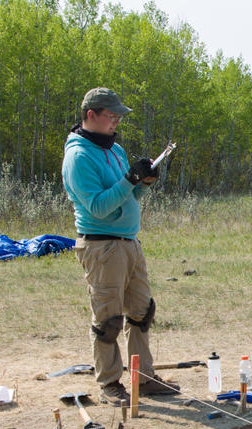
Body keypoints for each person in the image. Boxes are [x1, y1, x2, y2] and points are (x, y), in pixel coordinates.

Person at [62, 87, 179, 406]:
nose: (116, 122)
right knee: (108, 319)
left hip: (129, 243)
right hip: (102, 248)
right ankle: (110, 383)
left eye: (118, 117)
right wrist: (129, 180)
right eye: (111, 116)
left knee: (142, 312)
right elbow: (99, 208)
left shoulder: (115, 150)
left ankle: (145, 377)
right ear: (91, 116)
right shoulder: (78, 157)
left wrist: (142, 185)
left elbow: (126, 198)